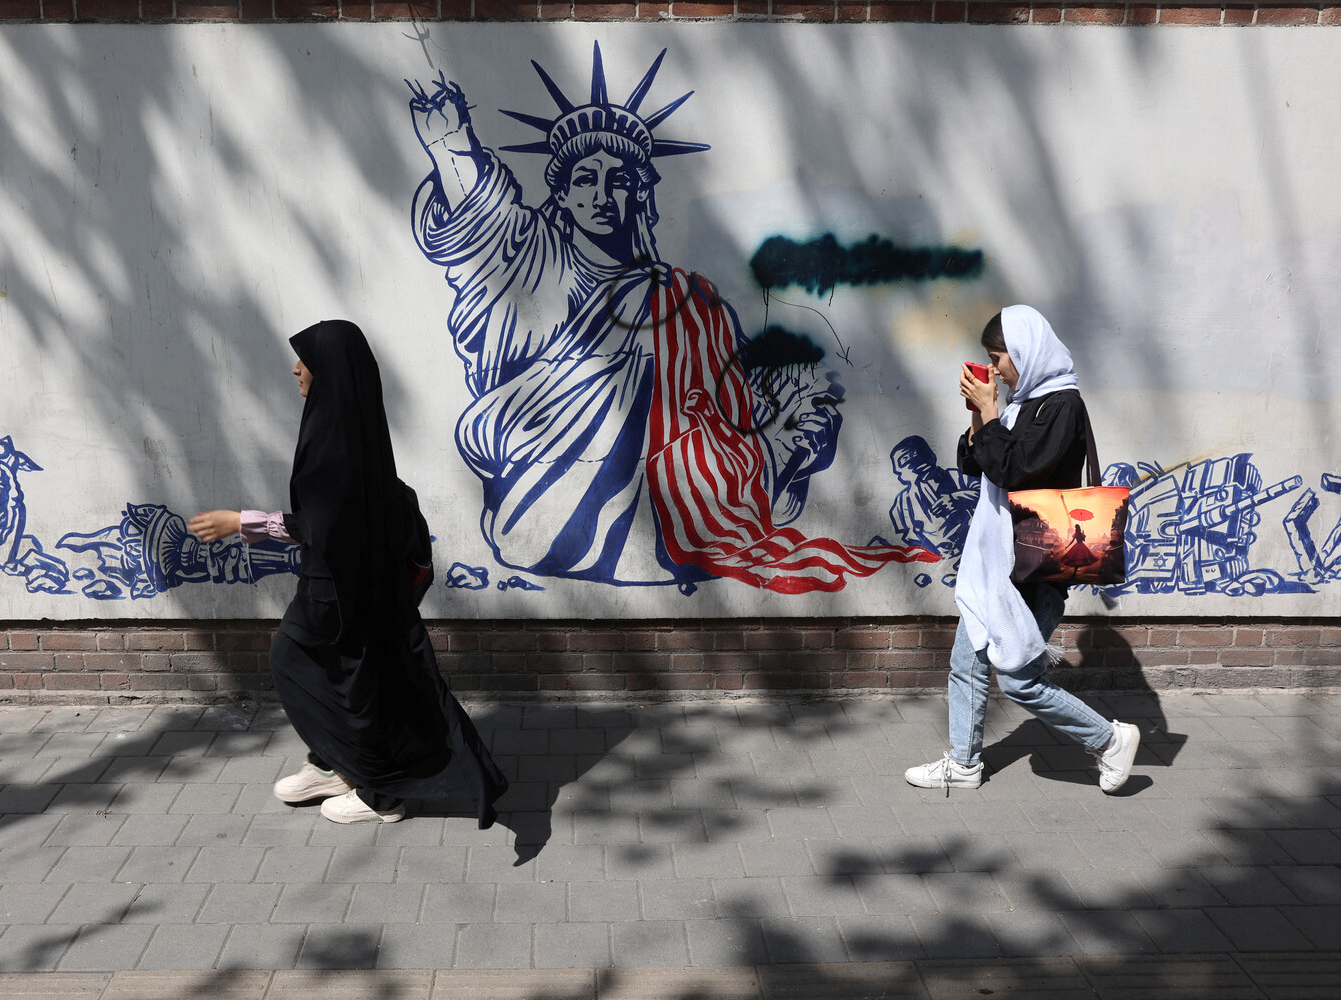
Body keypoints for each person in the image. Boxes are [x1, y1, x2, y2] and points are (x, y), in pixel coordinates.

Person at [408, 49, 936, 593]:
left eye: (618, 179)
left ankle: (711, 504)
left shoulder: (688, 299)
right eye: (585, 179)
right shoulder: (540, 259)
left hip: (684, 489)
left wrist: (787, 422)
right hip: (545, 475)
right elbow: (487, 226)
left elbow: (730, 403)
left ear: (640, 192)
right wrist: (452, 149)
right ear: (561, 193)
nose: (602, 195)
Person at [191, 320, 508, 827]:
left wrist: (241, 522)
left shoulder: (335, 436)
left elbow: (320, 525)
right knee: (352, 678)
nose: (296, 368)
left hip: (336, 590)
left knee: (296, 661)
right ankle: (336, 766)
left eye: (305, 359)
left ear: (330, 369)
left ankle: (377, 790)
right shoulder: (348, 421)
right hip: (349, 581)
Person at [905, 306, 1140, 794]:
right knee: (966, 663)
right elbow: (977, 464)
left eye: (998, 358)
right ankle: (964, 763)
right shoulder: (1020, 404)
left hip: (1033, 570)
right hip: (995, 565)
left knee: (1019, 680)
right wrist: (979, 415)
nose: (995, 370)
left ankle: (1109, 740)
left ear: (1024, 351)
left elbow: (1017, 471)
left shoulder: (1062, 406)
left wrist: (992, 415)